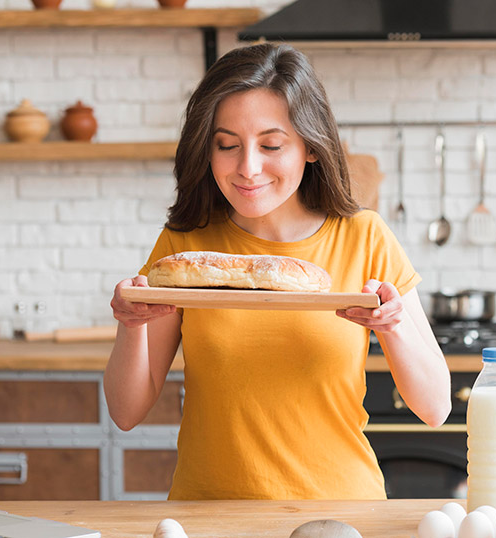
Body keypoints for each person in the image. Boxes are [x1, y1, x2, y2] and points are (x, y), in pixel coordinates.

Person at [103, 43, 451, 500]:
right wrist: (131, 326)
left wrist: (394, 326)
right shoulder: (185, 249)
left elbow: (436, 408)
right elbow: (126, 412)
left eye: (271, 145)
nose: (248, 168)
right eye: (227, 145)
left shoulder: (364, 237)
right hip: (209, 516)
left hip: (339, 516)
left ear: (310, 147)